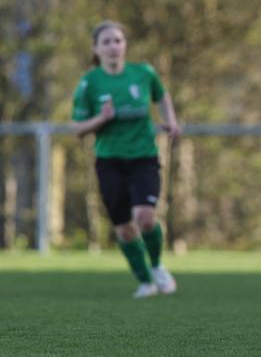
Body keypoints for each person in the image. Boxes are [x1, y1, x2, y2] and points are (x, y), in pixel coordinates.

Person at [72, 21, 180, 298]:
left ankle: (156, 267)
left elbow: (162, 96)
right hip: (109, 161)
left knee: (144, 218)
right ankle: (145, 281)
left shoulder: (143, 73)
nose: (113, 46)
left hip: (143, 156)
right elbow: (77, 129)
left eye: (118, 40)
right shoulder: (89, 83)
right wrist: (101, 118)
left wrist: (171, 122)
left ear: (125, 45)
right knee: (125, 229)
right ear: (96, 48)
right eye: (106, 42)